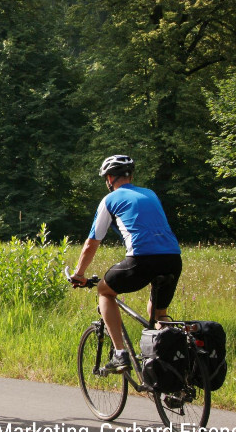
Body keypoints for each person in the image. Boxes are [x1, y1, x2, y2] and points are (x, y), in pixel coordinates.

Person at [70, 155, 182, 373]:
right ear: (131, 176)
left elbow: (91, 244)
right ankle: (168, 365)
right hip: (172, 258)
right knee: (159, 312)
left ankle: (120, 354)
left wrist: (79, 274)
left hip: (142, 259)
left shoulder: (109, 200)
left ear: (110, 178)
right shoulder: (151, 193)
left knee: (104, 291)